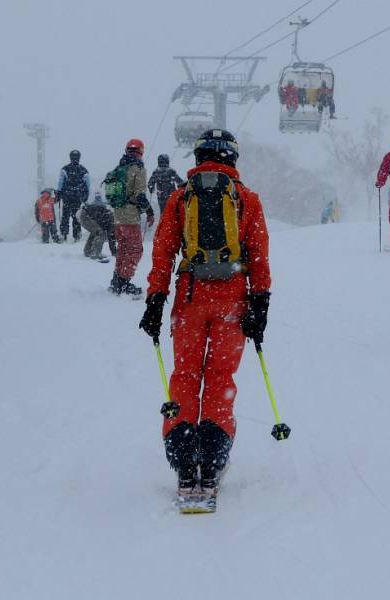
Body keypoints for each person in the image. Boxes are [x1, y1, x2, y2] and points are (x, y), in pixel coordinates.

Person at [138, 129, 271, 504]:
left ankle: (183, 459)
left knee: (185, 374)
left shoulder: (182, 198)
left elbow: (163, 252)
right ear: (232, 158)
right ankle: (212, 460)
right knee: (219, 377)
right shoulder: (246, 199)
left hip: (190, 299)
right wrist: (260, 303)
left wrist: (155, 298)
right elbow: (258, 255)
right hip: (232, 301)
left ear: (198, 158)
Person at [107, 139, 154, 296]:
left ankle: (116, 280)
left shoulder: (120, 166)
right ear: (141, 151)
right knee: (135, 250)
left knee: (123, 249)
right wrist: (149, 211)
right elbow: (140, 194)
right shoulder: (138, 167)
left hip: (117, 215)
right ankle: (124, 282)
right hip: (130, 215)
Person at [56, 150, 90, 241]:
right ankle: (77, 236)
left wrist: (59, 193)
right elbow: (87, 184)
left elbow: (60, 182)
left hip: (66, 196)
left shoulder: (65, 169)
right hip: (77, 197)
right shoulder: (83, 170)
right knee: (76, 217)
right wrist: (85, 196)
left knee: (65, 216)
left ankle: (64, 234)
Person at [79, 192, 116, 261]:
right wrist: (114, 252)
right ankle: (95, 254)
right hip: (86, 216)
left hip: (84, 214)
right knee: (101, 233)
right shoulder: (112, 220)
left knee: (96, 232)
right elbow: (111, 238)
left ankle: (88, 251)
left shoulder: (108, 216)